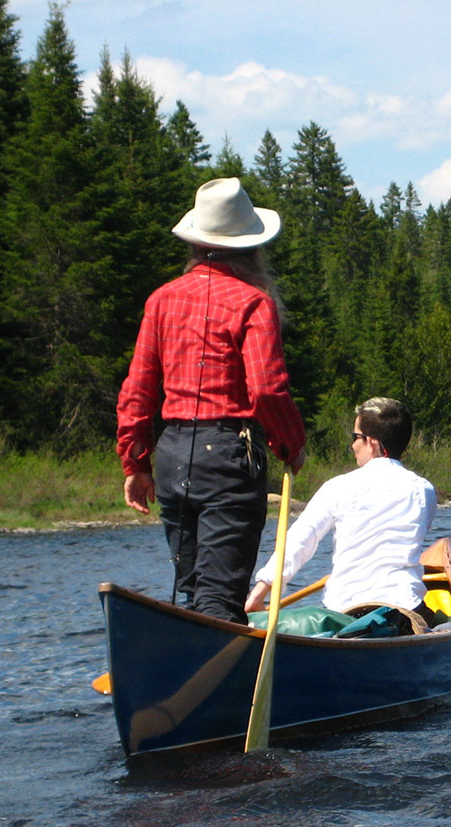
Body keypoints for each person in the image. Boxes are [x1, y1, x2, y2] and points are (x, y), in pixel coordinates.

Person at [116, 177, 306, 624]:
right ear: (250, 248)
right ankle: (219, 687)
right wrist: (290, 444)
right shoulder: (253, 302)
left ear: (198, 245)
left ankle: (187, 683)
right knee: (219, 594)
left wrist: (136, 464)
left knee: (192, 589)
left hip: (172, 453)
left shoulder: (161, 300)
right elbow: (266, 390)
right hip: (228, 454)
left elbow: (136, 391)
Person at [245, 397, 436, 626]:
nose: (353, 445)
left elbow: (299, 541)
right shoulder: (424, 490)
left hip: (345, 610)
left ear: (371, 442)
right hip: (404, 606)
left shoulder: (337, 487)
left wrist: (258, 594)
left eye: (355, 437)